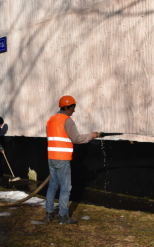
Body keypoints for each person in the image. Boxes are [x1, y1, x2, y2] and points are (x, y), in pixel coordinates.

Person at [45, 95, 99, 224]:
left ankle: (49, 214)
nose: (74, 110)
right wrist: (91, 135)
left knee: (52, 186)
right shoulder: (67, 121)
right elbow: (76, 139)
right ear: (66, 107)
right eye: (73, 107)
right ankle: (63, 217)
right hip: (62, 159)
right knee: (65, 188)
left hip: (51, 158)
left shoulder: (51, 120)